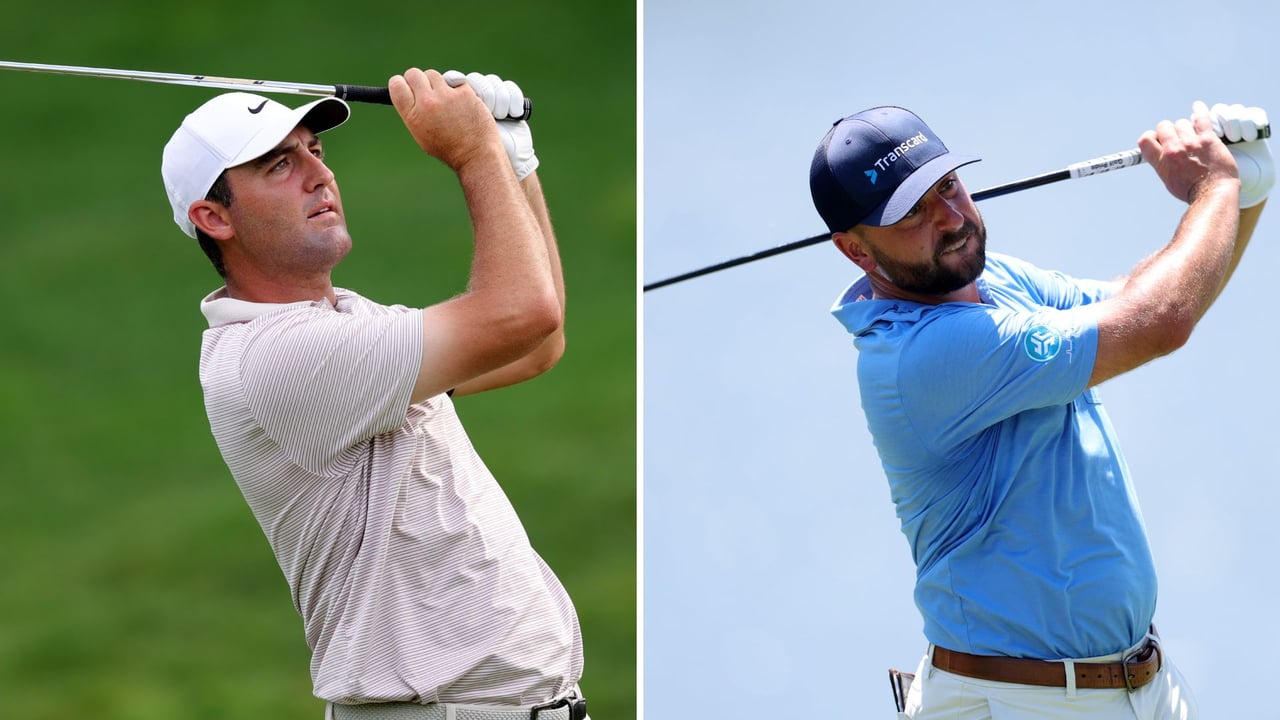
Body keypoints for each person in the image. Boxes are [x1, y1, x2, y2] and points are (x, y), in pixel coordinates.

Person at [809, 101, 1271, 719]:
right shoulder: (920, 356)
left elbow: (1146, 298)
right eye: (912, 213)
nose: (950, 218)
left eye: (947, 186)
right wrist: (1216, 187)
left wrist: (1245, 199)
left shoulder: (994, 279)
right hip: (1020, 703)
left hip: (1139, 684)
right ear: (855, 251)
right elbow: (1161, 321)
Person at [160, 68, 588, 720]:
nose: (318, 174)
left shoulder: (346, 323)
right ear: (214, 218)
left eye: (315, 151)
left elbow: (535, 345)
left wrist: (514, 161)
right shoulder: (279, 356)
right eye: (279, 164)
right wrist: (474, 154)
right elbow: (521, 314)